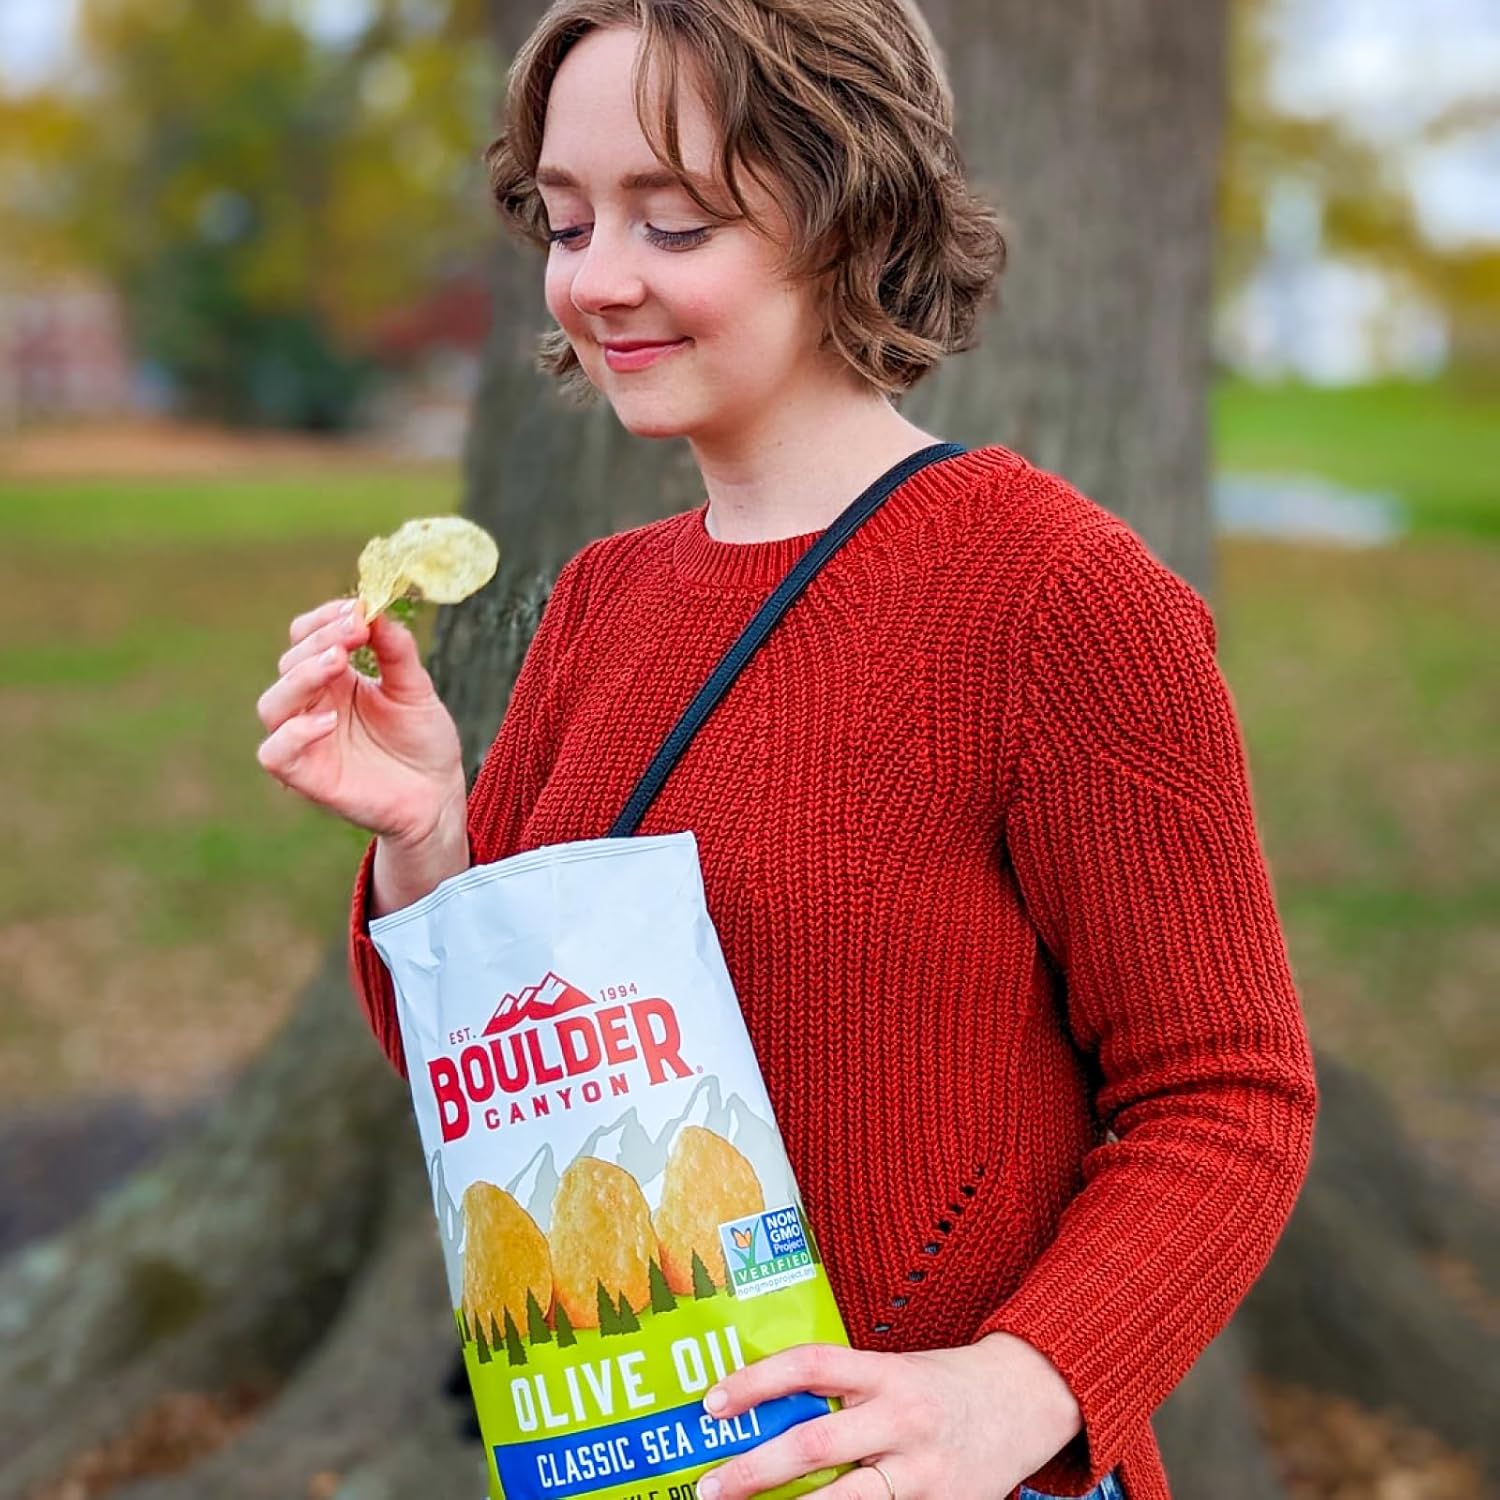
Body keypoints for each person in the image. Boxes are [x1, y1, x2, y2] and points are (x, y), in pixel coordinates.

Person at [255, 2, 1318, 1497]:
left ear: (847, 213)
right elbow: (517, 1090)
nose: (598, 280)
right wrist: (428, 836)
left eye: (675, 222)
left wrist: (1017, 1392)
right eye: (566, 223)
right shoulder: (602, 605)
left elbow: (1229, 1094)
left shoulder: (1056, 597)